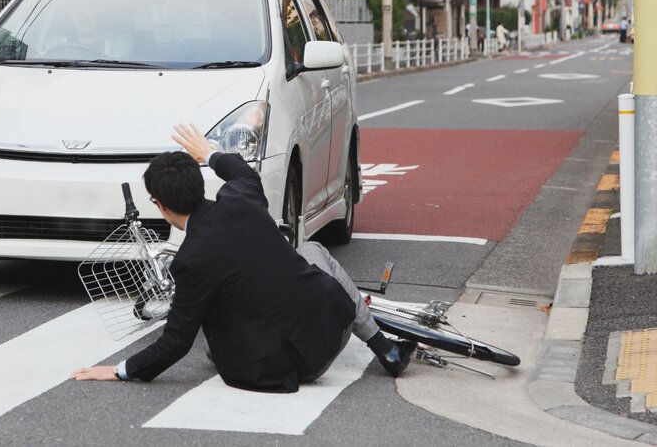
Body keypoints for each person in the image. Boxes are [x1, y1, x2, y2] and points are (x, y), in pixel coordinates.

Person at [70, 124, 415, 392]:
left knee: (214, 332)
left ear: (159, 205)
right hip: (332, 329)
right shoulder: (241, 197)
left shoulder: (189, 261)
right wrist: (209, 153)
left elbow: (175, 343)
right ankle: (385, 348)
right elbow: (244, 172)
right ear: (198, 185)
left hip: (294, 367)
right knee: (311, 250)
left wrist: (120, 370)